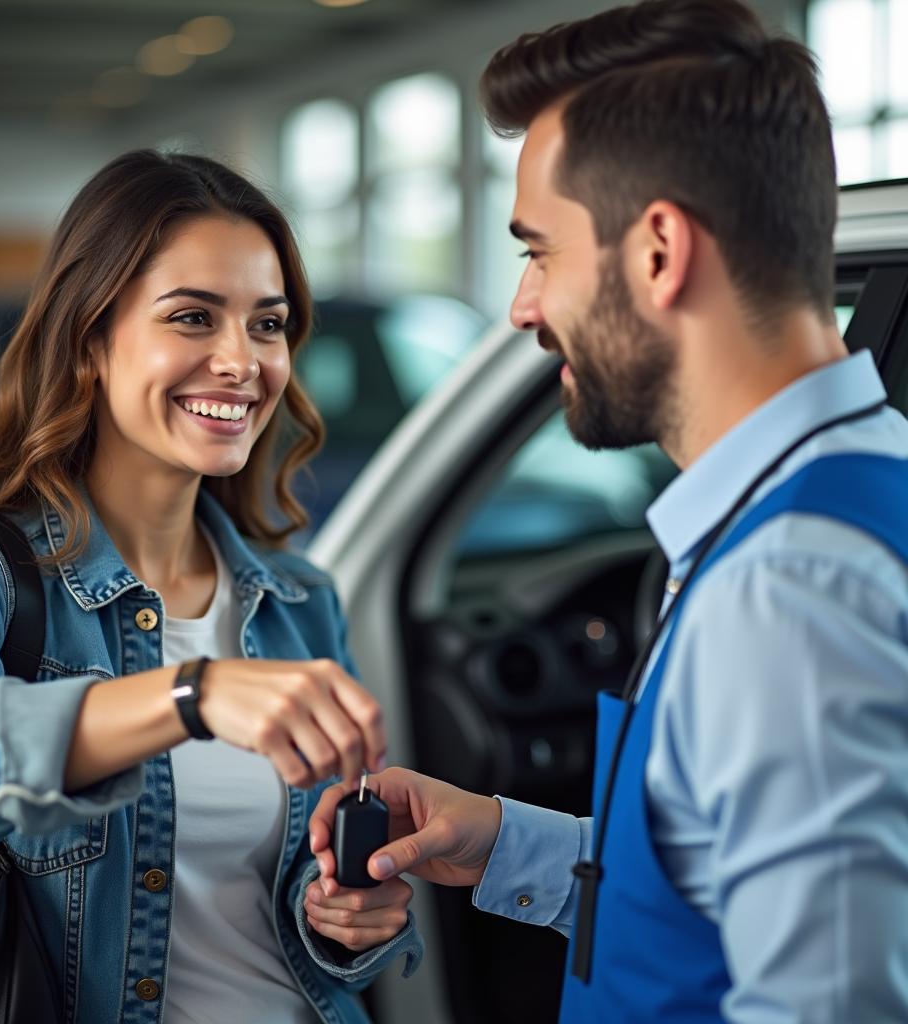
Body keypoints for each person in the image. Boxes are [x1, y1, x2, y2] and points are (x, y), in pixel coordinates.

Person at [310, 1, 908, 1020]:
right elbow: (723, 884)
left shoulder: (786, 587)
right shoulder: (830, 498)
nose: (522, 307)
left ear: (659, 251)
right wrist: (503, 842)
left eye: (539, 252)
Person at [0, 150, 421, 1024]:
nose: (242, 362)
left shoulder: (297, 601)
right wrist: (188, 694)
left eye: (268, 323)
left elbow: (309, 919)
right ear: (92, 338)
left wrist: (345, 922)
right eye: (193, 318)